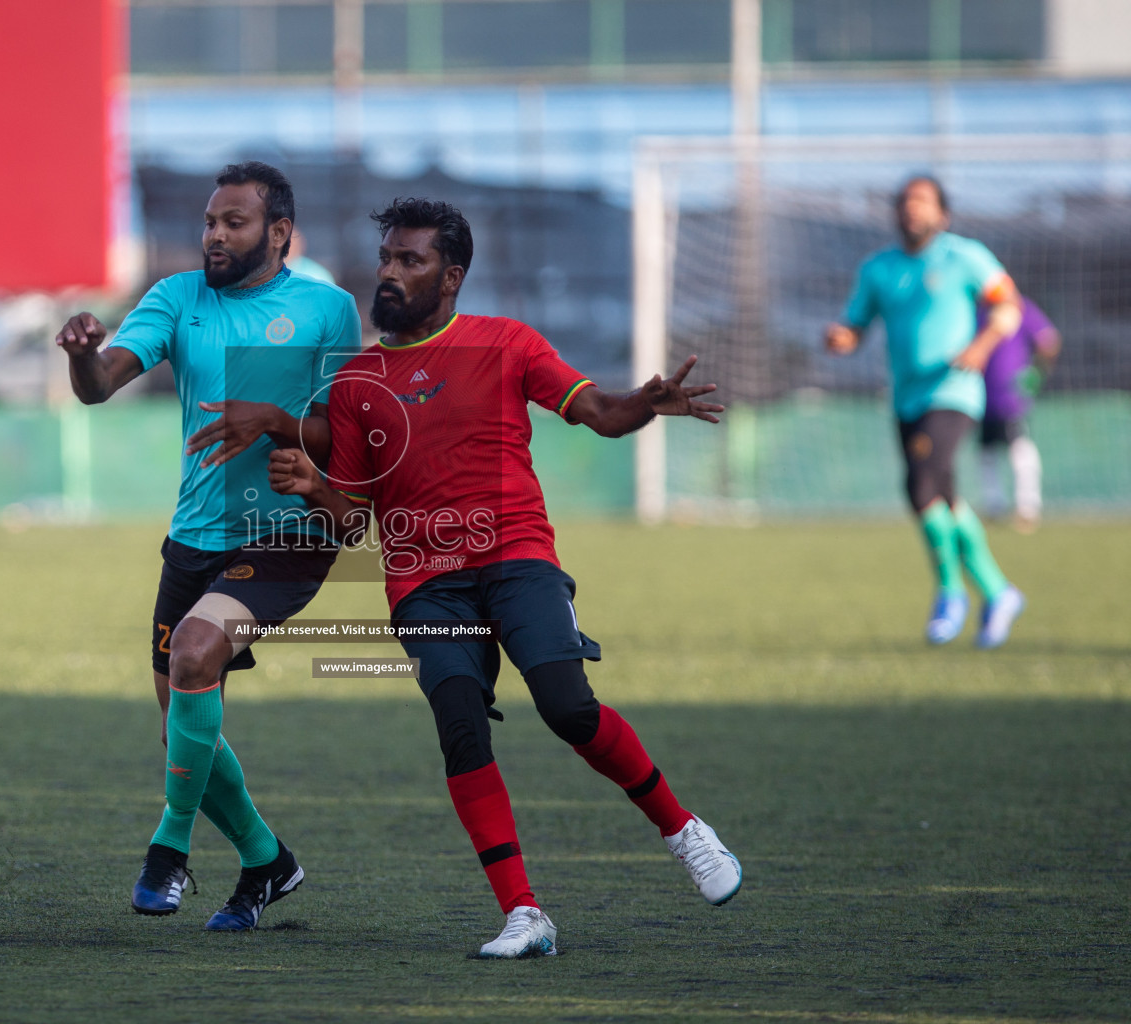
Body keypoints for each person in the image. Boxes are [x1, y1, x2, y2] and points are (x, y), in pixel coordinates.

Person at [267, 197, 740, 959]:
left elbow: (603, 415)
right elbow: (353, 519)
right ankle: (524, 913)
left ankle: (685, 831)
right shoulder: (356, 382)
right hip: (424, 581)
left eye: (410, 261)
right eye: (387, 258)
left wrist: (643, 407)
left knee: (567, 707)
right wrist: (313, 488)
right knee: (458, 721)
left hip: (515, 557)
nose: (390, 272)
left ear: (450, 277)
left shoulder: (507, 343)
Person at [55, 162, 361, 931]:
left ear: (279, 233)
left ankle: (169, 852)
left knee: (194, 653)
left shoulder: (328, 310)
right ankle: (267, 861)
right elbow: (101, 386)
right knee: (181, 725)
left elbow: (347, 435)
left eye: (234, 223)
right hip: (194, 536)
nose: (215, 235)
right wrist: (80, 355)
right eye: (210, 222)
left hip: (291, 532)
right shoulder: (174, 297)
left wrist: (272, 421)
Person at [825, 175, 1026, 648]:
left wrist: (981, 346)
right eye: (903, 201)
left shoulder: (965, 257)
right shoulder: (878, 269)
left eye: (921, 201)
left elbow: (1008, 308)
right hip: (907, 399)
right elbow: (855, 326)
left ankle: (951, 592)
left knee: (920, 484)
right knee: (945, 498)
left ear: (943, 213)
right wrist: (841, 338)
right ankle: (998, 591)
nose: (910, 209)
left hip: (954, 391)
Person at [978, 295, 1059, 531]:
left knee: (1019, 449)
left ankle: (1027, 507)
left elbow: (1049, 341)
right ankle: (994, 504)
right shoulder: (979, 312)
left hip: (1010, 398)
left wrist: (1037, 374)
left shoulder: (1021, 309)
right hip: (982, 398)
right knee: (986, 452)